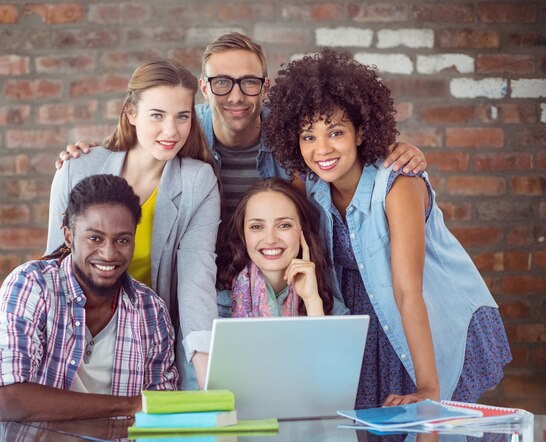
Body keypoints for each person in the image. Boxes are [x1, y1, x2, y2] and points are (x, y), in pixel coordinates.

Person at [55, 33, 427, 318]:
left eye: (249, 82)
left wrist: (389, 151)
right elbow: (143, 137)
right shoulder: (182, 128)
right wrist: (85, 157)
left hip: (278, 286)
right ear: (204, 87)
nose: (235, 95)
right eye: (221, 82)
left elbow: (333, 145)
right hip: (200, 289)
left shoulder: (287, 139)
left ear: (264, 88)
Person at [264, 49, 511, 408]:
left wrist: (429, 387)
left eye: (335, 132)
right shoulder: (310, 183)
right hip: (359, 322)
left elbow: (407, 289)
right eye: (308, 136)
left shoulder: (399, 184)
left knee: (428, 421)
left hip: (421, 316)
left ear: (361, 130)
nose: (322, 149)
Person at [45, 59, 220, 390]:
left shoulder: (197, 181)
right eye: (157, 115)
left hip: (148, 344)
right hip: (80, 336)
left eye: (182, 116)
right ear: (131, 113)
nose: (171, 131)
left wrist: (210, 383)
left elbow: (196, 280)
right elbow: (55, 266)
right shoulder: (77, 169)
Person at [0, 174, 178, 422]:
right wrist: (129, 405)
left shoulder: (151, 310)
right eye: (94, 238)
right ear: (68, 235)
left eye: (122, 240)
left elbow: (162, 414)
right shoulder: (31, 285)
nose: (109, 254)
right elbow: (8, 401)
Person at [217, 178, 335, 317]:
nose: (270, 239)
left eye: (284, 225)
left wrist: (312, 301)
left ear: (302, 230)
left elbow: (327, 339)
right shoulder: (217, 305)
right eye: (256, 226)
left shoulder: (330, 305)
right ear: (243, 234)